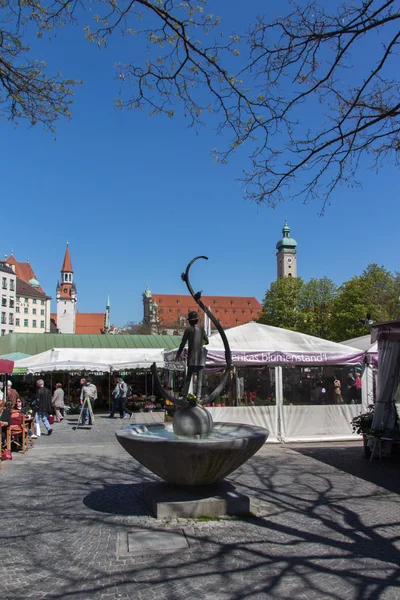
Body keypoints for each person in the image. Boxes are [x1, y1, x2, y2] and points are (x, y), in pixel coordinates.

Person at [175, 310, 209, 399]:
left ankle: (185, 395)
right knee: (199, 379)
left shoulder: (188, 330)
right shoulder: (202, 330)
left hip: (191, 358)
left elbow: (182, 344)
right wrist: (201, 343)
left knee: (188, 378)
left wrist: (178, 354)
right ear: (197, 320)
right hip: (200, 358)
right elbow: (207, 341)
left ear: (190, 321)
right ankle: (197, 397)